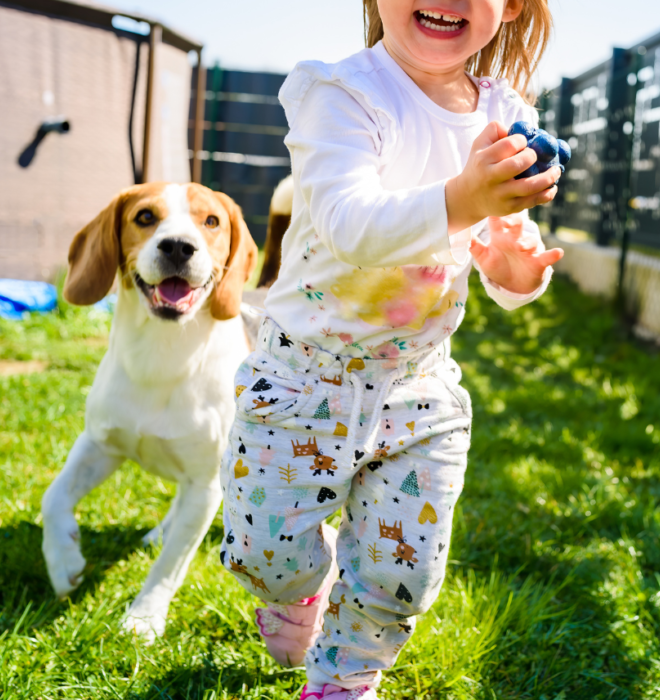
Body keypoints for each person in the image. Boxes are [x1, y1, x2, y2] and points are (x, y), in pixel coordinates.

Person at [218, 1, 563, 697]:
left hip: (418, 387)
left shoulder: (504, 110)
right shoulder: (340, 93)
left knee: (401, 573)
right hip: (301, 378)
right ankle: (296, 592)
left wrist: (515, 273)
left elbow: (501, 240)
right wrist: (465, 196)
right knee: (267, 557)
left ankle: (345, 680)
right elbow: (350, 224)